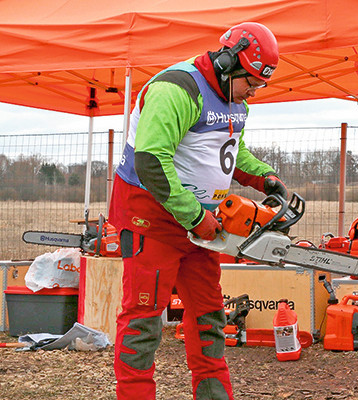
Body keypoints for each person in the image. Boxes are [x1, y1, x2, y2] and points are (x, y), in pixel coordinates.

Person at [108, 22, 287, 400]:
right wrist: (196, 216)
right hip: (153, 220)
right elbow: (151, 161)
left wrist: (263, 178)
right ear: (228, 62)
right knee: (143, 322)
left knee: (209, 318)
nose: (253, 91)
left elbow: (228, 153)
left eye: (259, 84)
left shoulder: (235, 101)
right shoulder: (176, 89)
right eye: (250, 82)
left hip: (202, 227)